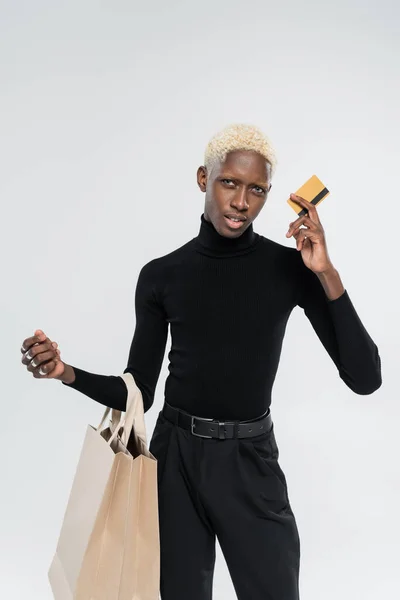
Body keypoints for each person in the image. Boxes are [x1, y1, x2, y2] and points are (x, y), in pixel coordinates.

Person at [20, 124, 382, 600]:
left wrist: (327, 273)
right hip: (178, 462)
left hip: (251, 462)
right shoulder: (162, 277)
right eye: (229, 182)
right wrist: (64, 373)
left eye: (257, 190)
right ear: (202, 179)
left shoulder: (290, 270)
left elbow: (366, 378)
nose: (241, 201)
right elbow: (139, 394)